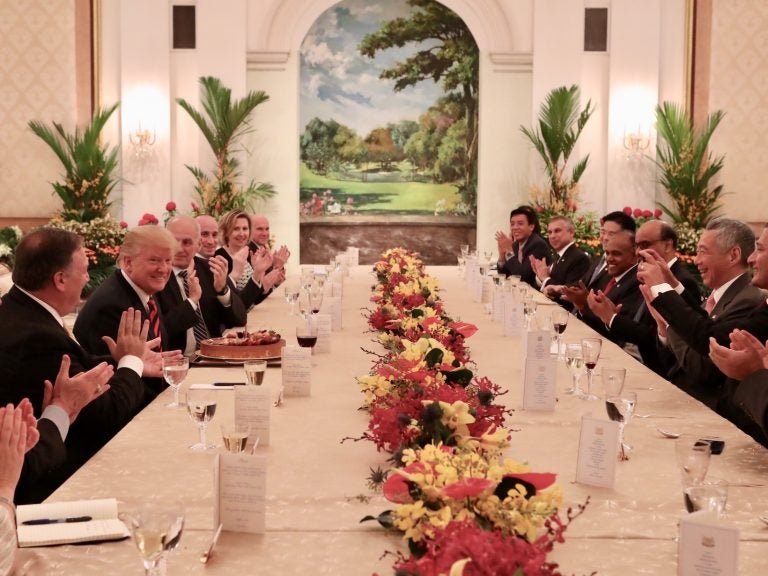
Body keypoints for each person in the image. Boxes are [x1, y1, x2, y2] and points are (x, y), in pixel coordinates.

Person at [0, 228, 164, 502]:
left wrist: (120, 361)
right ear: (60, 279)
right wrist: (131, 362)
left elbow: (77, 366)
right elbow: (107, 415)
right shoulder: (37, 336)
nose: (89, 279)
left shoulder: (20, 311)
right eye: (85, 270)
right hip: (49, 488)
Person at [638, 218, 765, 410]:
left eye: (761, 249)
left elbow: (704, 354)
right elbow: (705, 326)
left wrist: (664, 296)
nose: (752, 258)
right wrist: (673, 288)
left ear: (733, 255)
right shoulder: (719, 296)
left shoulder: (748, 300)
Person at [74, 225, 183, 395]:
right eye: (154, 260)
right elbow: (116, 381)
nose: (163, 269)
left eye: (168, 260)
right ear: (128, 262)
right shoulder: (110, 306)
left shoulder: (144, 289)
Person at [586, 220, 701, 374]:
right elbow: (638, 321)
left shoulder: (682, 281)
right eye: (637, 246)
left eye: (645, 245)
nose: (639, 252)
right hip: (630, 354)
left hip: (656, 368)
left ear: (667, 245)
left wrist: (612, 318)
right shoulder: (647, 273)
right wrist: (613, 314)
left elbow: (660, 336)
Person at [157, 216, 247, 355]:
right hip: (179, 361)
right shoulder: (157, 276)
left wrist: (222, 290)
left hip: (215, 355)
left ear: (198, 244)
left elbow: (240, 319)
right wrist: (192, 302)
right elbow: (161, 331)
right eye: (174, 241)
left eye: (187, 242)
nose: (180, 249)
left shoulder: (210, 269)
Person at [566, 229, 643, 341]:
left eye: (616, 254)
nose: (609, 259)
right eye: (607, 253)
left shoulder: (637, 282)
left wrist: (585, 305)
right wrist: (582, 305)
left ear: (635, 255)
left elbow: (620, 332)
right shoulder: (609, 275)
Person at [530, 215, 591, 301]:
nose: (552, 236)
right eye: (550, 232)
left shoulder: (579, 258)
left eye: (557, 231)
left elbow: (568, 293)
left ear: (571, 232)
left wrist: (545, 278)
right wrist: (540, 277)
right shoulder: (558, 255)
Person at [495, 205, 552, 287]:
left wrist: (509, 251)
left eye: (520, 224)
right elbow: (504, 275)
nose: (515, 227)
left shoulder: (537, 244)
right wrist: (502, 255)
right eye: (512, 224)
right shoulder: (515, 245)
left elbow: (523, 277)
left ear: (531, 226)